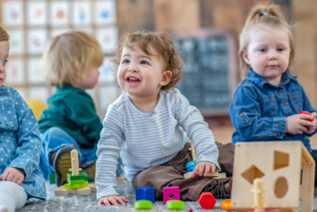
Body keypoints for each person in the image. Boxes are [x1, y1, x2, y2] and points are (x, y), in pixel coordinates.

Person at [96, 31, 234, 206]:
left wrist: (206, 157)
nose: (132, 67)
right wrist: (105, 190)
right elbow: (107, 152)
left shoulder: (173, 98)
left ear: (164, 77)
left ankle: (258, 170)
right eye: (126, 61)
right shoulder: (117, 112)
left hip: (185, 155)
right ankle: (218, 188)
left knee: (227, 151)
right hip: (148, 170)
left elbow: (197, 126)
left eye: (143, 62)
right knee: (150, 182)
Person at [229, 4, 317, 185]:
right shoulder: (247, 90)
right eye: (263, 50)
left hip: (297, 155)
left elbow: (309, 112)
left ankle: (301, 181)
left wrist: (312, 123)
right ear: (246, 56)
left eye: (280, 49)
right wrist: (285, 125)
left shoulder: (295, 86)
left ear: (289, 52)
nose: (273, 56)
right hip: (260, 161)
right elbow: (247, 126)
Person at [38, 31, 123, 186]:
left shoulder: (59, 94)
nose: (98, 72)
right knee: (54, 134)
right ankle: (66, 160)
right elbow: (97, 132)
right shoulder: (78, 98)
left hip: (45, 161)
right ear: (77, 69)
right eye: (95, 67)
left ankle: (79, 168)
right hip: (65, 154)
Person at [0, 26, 46, 212]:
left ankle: (4, 207)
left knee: (8, 192)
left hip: (15, 180)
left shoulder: (13, 99)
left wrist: (20, 167)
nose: (1, 69)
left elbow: (32, 137)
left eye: (4, 61)